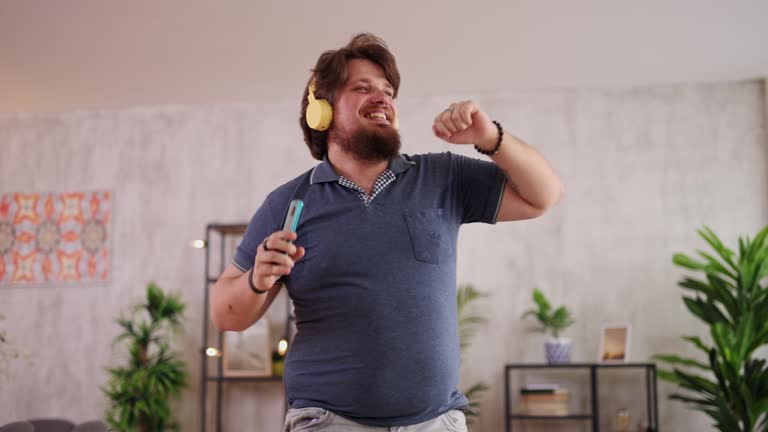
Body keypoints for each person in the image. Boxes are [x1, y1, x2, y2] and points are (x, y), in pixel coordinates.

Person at [211, 33, 564, 431]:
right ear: (321, 112)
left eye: (389, 91)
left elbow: (543, 196)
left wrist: (491, 139)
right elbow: (225, 315)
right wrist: (258, 280)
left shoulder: (442, 176)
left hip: (436, 422)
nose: (383, 99)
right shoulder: (288, 202)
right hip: (330, 421)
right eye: (362, 88)